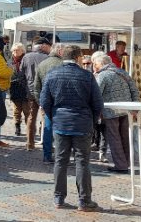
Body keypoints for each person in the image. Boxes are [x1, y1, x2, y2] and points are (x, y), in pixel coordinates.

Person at [40, 45, 104, 212]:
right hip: (82, 123)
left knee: (60, 161)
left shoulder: (52, 74)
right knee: (82, 162)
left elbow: (45, 101)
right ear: (78, 57)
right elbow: (97, 103)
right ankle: (84, 200)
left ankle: (59, 198)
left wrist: (54, 117)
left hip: (61, 123)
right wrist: (92, 119)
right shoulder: (87, 76)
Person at [92, 53, 139, 173]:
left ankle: (121, 165)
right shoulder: (122, 72)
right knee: (125, 137)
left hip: (111, 111)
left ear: (101, 64)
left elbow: (96, 95)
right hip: (127, 110)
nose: (94, 66)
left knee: (114, 138)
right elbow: (134, 90)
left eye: (95, 64)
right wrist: (135, 108)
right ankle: (126, 162)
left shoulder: (102, 75)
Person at [34, 42, 64, 163]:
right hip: (61, 102)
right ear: (60, 52)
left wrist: (40, 102)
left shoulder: (42, 64)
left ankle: (47, 155)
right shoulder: (62, 64)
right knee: (61, 130)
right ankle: (61, 156)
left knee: (48, 128)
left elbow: (36, 87)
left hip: (46, 101)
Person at [21, 38, 51, 150]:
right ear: (43, 46)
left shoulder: (26, 57)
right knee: (46, 117)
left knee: (31, 117)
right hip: (44, 91)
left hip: (30, 91)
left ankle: (30, 143)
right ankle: (47, 145)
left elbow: (21, 73)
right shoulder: (48, 58)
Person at [9, 42, 29, 137]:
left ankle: (29, 128)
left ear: (22, 51)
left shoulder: (26, 59)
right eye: (13, 50)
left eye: (17, 50)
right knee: (16, 110)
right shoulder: (10, 61)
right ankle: (17, 127)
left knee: (26, 110)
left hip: (25, 88)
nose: (15, 52)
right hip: (14, 87)